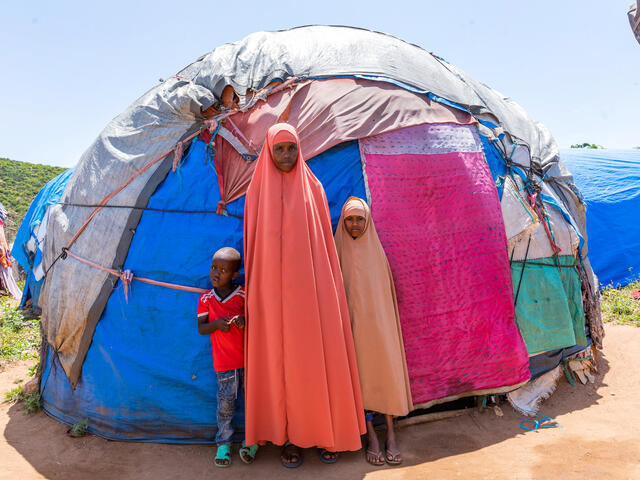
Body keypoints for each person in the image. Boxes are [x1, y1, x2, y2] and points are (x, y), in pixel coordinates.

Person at [243, 123, 365, 468]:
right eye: (279, 149)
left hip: (311, 297)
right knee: (279, 368)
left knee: (312, 364)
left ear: (301, 150)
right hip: (270, 298)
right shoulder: (256, 194)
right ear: (268, 151)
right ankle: (288, 439)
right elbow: (255, 254)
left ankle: (324, 433)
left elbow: (322, 249)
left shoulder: (313, 189)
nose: (285, 155)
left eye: (291, 148)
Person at [334, 197, 413, 466]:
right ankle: (372, 437)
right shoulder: (336, 253)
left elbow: (384, 299)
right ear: (342, 222)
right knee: (360, 382)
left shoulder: (377, 254)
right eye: (349, 219)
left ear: (368, 222)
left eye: (359, 219)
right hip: (351, 332)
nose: (354, 224)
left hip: (379, 331)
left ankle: (391, 433)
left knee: (384, 375)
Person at [196, 247, 258, 468]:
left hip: (249, 362)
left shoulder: (243, 294)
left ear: (234, 275)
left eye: (223, 270)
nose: (216, 273)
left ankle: (252, 440)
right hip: (224, 364)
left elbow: (257, 318)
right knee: (225, 405)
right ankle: (224, 443)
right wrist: (216, 325)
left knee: (253, 403)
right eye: (214, 267)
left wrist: (243, 321)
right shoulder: (206, 299)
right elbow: (201, 328)